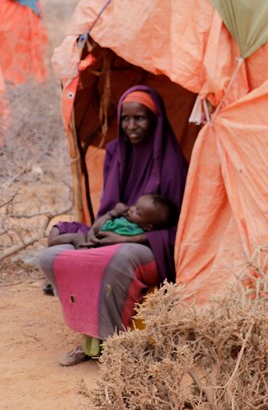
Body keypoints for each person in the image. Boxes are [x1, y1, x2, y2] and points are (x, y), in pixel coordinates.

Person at [39, 85, 188, 366]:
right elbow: (108, 208)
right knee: (50, 256)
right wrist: (100, 232)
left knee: (118, 258)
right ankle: (88, 337)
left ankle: (114, 342)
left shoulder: (172, 163)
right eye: (125, 118)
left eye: (140, 118)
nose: (131, 126)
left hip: (148, 244)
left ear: (155, 119)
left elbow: (181, 230)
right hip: (115, 230)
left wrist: (129, 240)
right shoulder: (116, 152)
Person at [47, 193, 176, 248]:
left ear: (148, 227)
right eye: (135, 206)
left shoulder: (132, 231)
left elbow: (97, 229)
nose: (131, 209)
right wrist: (114, 213)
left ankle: (59, 244)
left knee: (76, 237)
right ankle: (52, 245)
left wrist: (112, 214)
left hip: (91, 239)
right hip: (90, 232)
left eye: (138, 212)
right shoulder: (125, 219)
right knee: (59, 227)